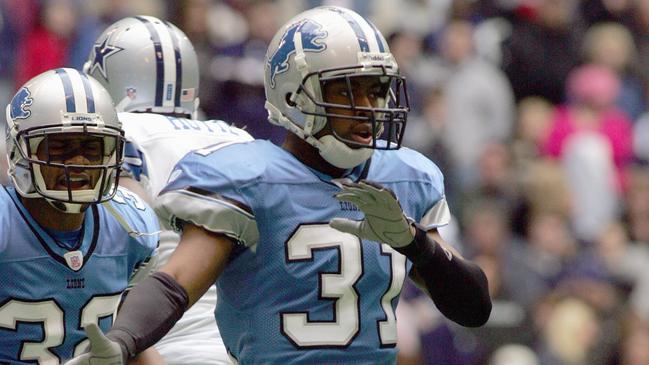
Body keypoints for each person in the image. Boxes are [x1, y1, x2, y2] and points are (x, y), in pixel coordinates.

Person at [65, 6, 491, 365]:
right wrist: (123, 341)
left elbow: (474, 308)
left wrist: (416, 243)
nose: (368, 108)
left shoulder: (404, 177)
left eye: (375, 91)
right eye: (348, 92)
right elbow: (176, 281)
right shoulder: (248, 177)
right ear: (293, 97)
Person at [83, 15, 253, 365]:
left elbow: (113, 256)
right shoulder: (239, 138)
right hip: (248, 347)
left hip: (155, 342)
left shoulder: (115, 135)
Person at [0, 68, 160, 363]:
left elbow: (133, 336)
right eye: (59, 148)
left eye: (91, 148)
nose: (77, 163)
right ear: (19, 153)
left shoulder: (131, 227)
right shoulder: (5, 225)